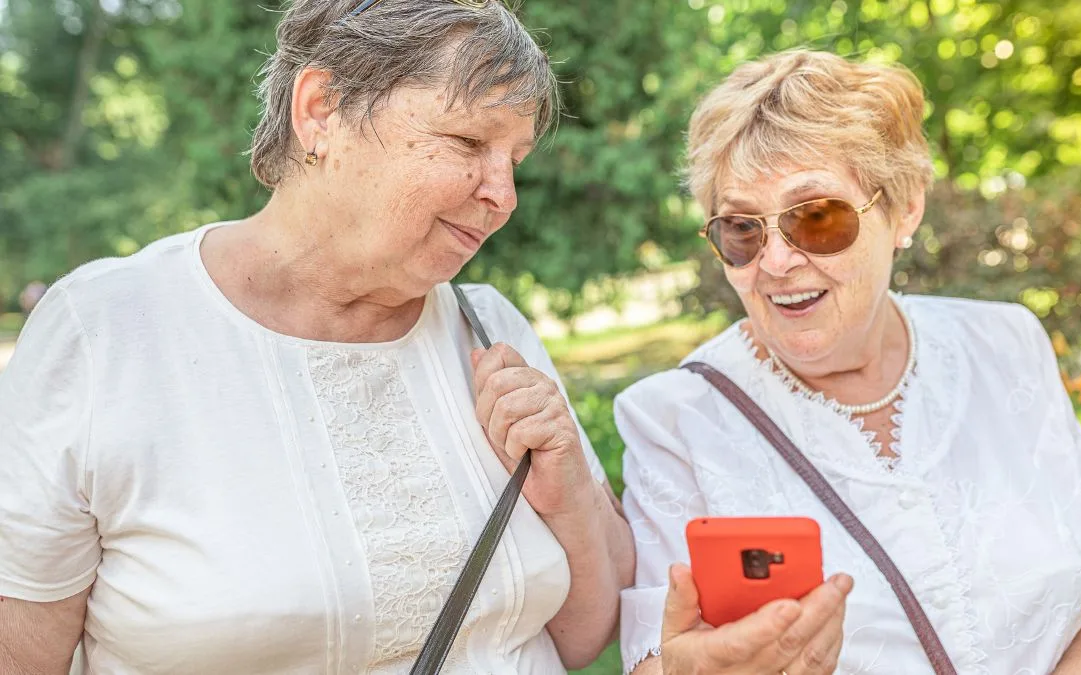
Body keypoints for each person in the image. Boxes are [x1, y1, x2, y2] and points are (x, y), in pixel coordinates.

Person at [0, 1, 633, 673]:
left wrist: (567, 493)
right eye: (469, 143)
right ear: (322, 109)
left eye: (516, 158)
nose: (504, 195)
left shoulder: (491, 326)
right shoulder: (104, 333)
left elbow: (586, 636)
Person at [616, 49, 1081, 674]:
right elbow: (655, 658)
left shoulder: (1006, 343)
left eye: (816, 218)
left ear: (905, 207)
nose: (774, 262)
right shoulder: (673, 419)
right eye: (742, 229)